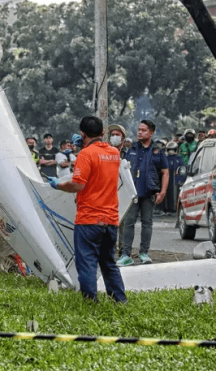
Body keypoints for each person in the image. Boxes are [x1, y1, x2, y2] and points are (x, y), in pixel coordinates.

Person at [48, 116, 126, 303]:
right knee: (109, 263)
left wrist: (58, 184)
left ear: (82, 134)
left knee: (87, 264)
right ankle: (120, 300)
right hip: (110, 219)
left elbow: (77, 185)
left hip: (89, 219)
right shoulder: (114, 153)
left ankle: (90, 302)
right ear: (102, 133)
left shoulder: (85, 155)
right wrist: (86, 145)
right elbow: (100, 158)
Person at [118, 120, 169, 266]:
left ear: (151, 133)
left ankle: (144, 253)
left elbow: (165, 173)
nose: (140, 132)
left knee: (147, 223)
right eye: (139, 130)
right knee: (129, 223)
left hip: (149, 193)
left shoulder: (158, 151)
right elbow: (123, 170)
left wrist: (163, 191)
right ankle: (126, 254)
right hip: (132, 194)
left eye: (144, 130)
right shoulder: (131, 149)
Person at [163, 141, 185, 214]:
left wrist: (181, 179)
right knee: (166, 194)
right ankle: (166, 209)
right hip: (166, 179)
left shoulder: (179, 158)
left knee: (175, 194)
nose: (171, 151)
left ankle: (175, 209)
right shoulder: (165, 158)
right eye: (169, 149)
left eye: (173, 149)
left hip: (176, 180)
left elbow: (182, 169)